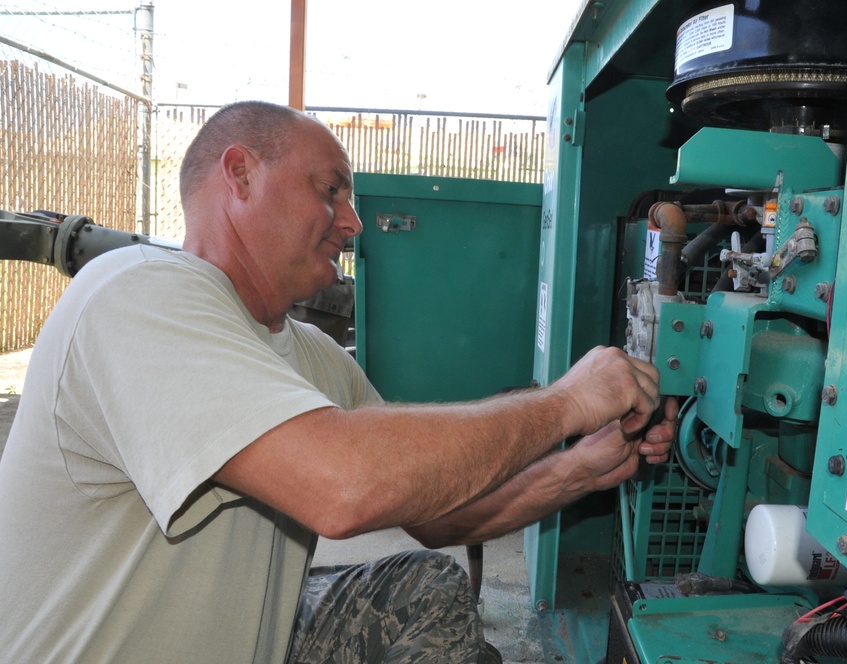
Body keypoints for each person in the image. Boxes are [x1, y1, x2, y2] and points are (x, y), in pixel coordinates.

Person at [0, 101, 676, 663]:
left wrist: (586, 467)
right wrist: (566, 402)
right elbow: (341, 487)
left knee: (426, 589)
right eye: (330, 191)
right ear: (239, 174)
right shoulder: (136, 293)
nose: (351, 224)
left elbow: (445, 516)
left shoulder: (313, 354)